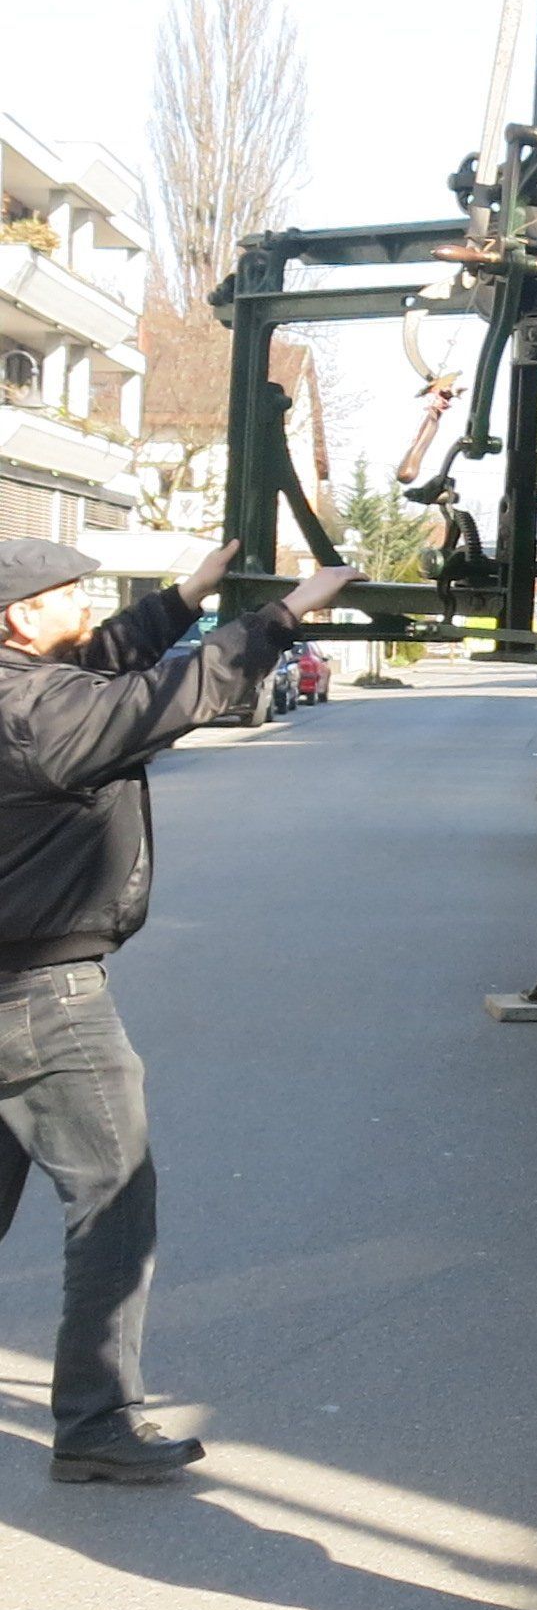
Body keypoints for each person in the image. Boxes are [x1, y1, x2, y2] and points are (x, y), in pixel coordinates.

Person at [0, 533, 356, 1481]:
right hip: (40, 997)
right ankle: (95, 1425)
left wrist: (186, 594)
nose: (85, 602)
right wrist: (286, 616)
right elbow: (171, 694)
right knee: (113, 1199)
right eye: (68, 592)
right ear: (20, 617)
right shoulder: (41, 716)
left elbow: (105, 668)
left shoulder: (24, 690)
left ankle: (94, 1420)